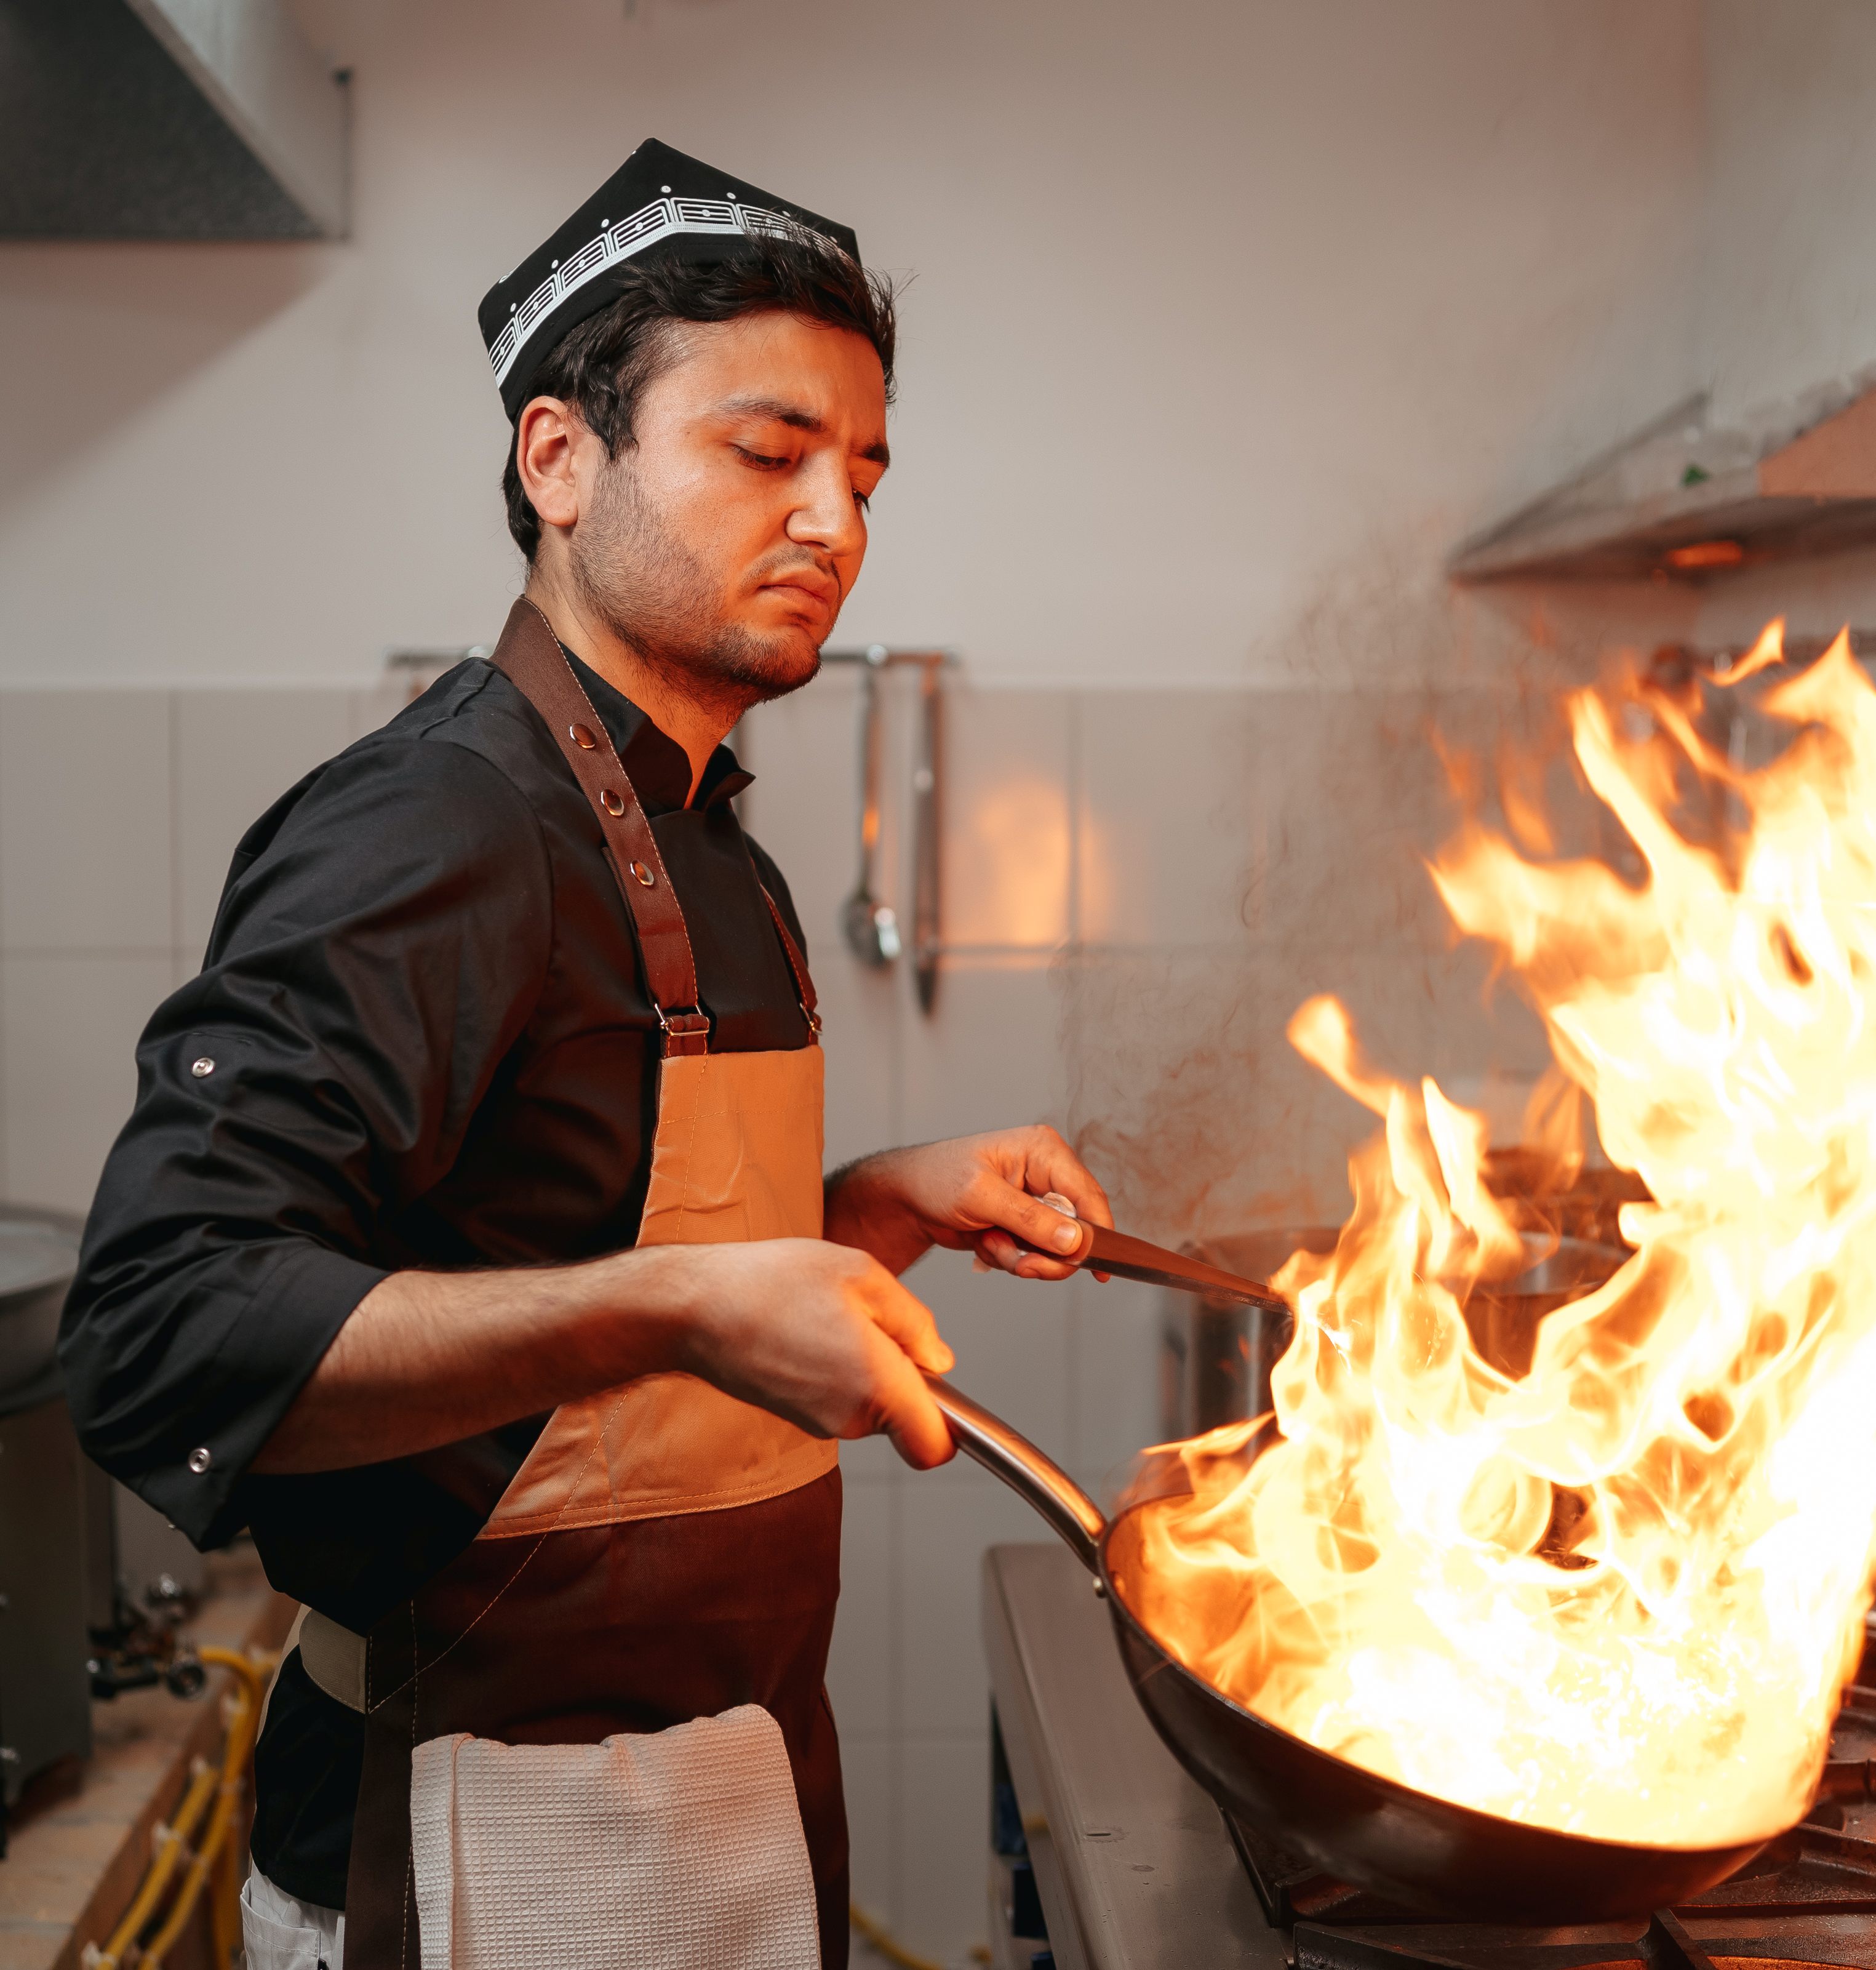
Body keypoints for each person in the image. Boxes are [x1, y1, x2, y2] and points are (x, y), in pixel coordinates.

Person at [60, 140, 1111, 1970]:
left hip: (708, 1813)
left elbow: (590, 1269)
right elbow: (160, 1328)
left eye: (861, 475)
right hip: (474, 1845)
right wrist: (683, 1305)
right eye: (765, 453)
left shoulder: (708, 834)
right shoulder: (440, 826)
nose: (836, 523)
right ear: (561, 460)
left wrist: (869, 1208)